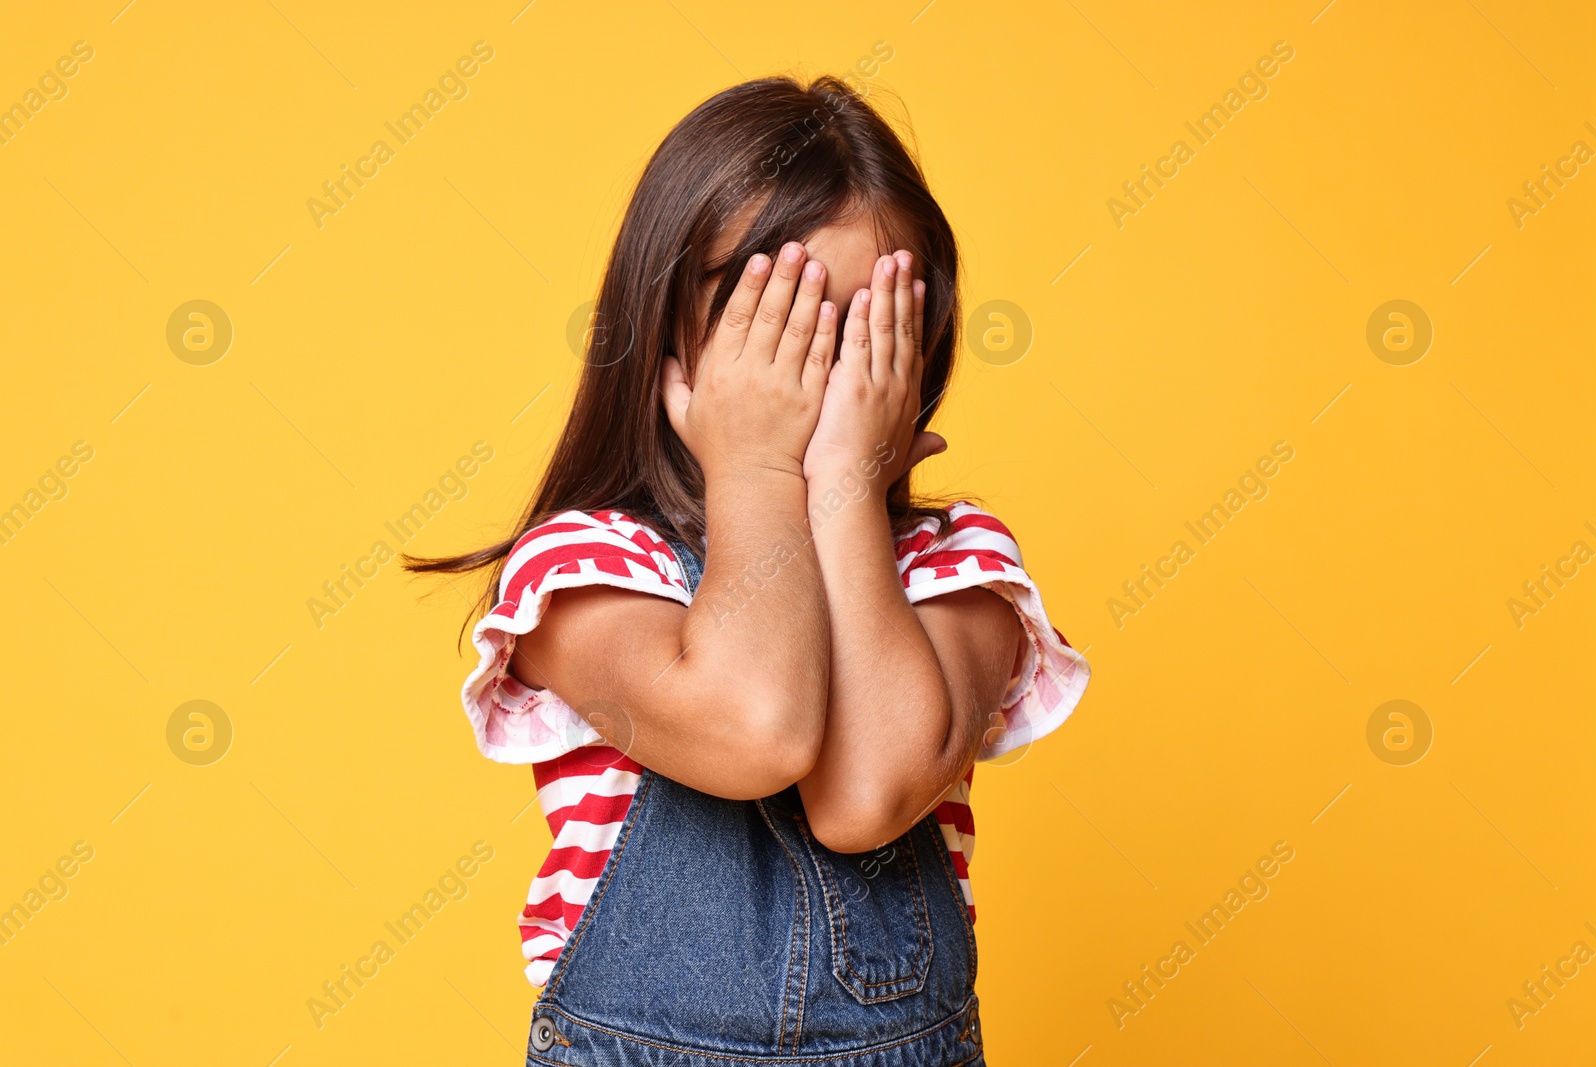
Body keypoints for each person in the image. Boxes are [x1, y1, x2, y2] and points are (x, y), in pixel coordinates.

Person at [407, 74, 1089, 1066]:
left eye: (866, 325)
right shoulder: (589, 568)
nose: (819, 364)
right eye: (776, 314)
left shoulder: (959, 566)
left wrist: (844, 491)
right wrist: (758, 465)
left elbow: (866, 798)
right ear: (667, 321)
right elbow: (757, 727)